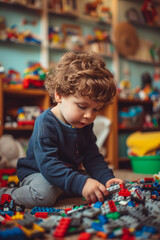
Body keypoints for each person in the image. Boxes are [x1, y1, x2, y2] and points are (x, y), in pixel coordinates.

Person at [0, 51, 123, 208]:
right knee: (44, 195)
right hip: (40, 173)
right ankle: (5, 194)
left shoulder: (84, 123)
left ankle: (66, 187)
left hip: (67, 174)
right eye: (82, 106)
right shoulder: (45, 122)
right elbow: (49, 165)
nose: (89, 116)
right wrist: (82, 183)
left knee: (100, 185)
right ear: (59, 95)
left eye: (96, 109)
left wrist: (107, 178)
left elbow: (92, 156)